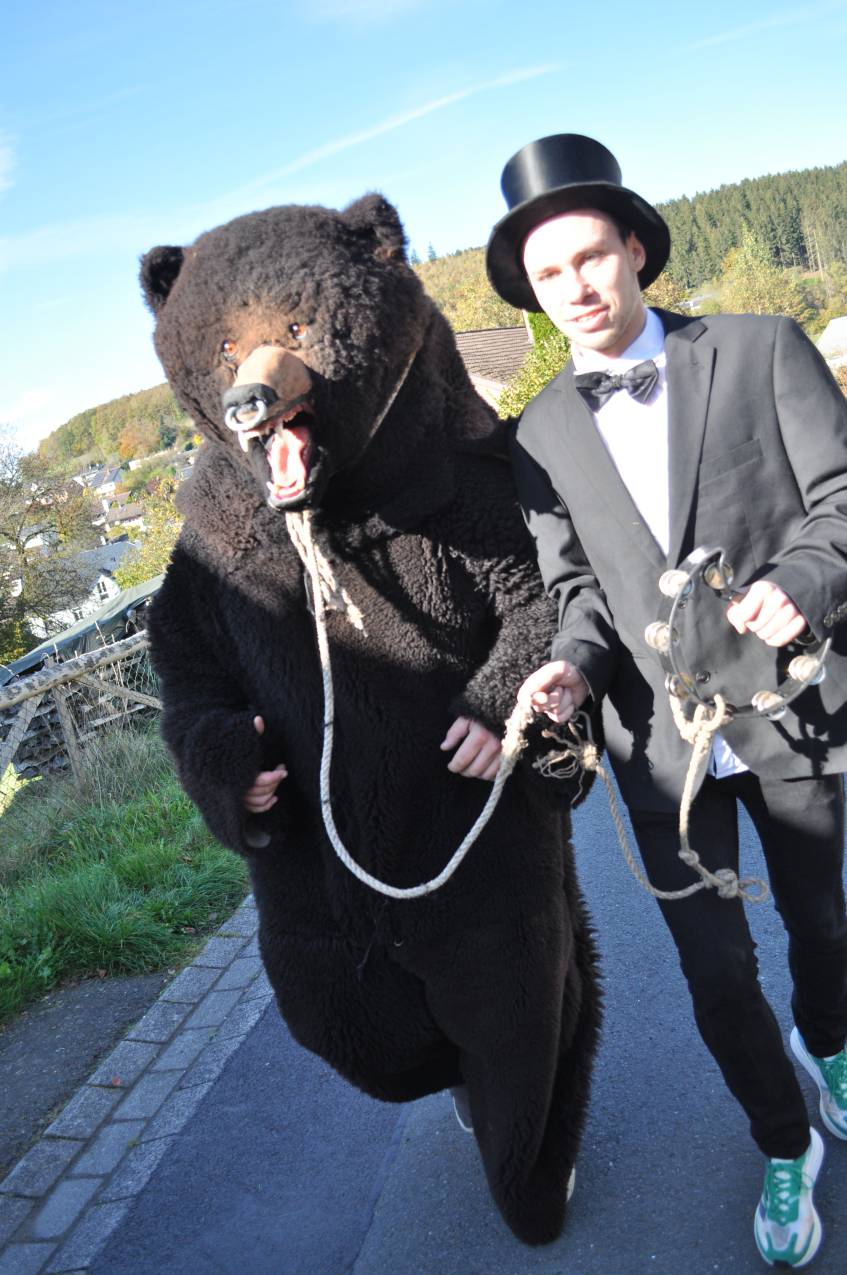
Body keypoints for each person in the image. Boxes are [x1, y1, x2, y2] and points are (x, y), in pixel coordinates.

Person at [486, 132, 847, 1269]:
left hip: (791, 711)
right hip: (659, 753)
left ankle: (830, 1041)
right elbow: (578, 596)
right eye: (548, 273)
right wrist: (568, 668)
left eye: (590, 257)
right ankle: (781, 1141)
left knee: (825, 925)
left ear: (635, 249)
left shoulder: (760, 347)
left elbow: (840, 498)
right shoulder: (537, 435)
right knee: (716, 971)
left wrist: (802, 581)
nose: (576, 286)